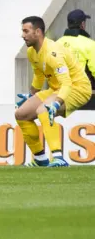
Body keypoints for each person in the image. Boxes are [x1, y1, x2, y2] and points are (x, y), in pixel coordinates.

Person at [15, 16, 92, 167]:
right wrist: (32, 95)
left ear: (37, 32)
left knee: (44, 109)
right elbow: (38, 75)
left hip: (78, 88)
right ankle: (40, 158)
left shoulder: (52, 53)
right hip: (57, 88)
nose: (22, 35)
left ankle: (58, 158)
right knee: (21, 114)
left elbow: (67, 83)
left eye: (26, 31)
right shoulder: (32, 52)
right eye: (22, 31)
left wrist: (56, 103)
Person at [56, 9, 95, 88]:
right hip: (83, 90)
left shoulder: (57, 43)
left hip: (60, 88)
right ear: (82, 24)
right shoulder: (89, 44)